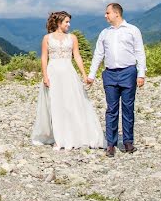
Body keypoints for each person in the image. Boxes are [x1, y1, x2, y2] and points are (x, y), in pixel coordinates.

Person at [30, 11, 105, 149]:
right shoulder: (47, 38)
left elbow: (77, 56)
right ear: (59, 23)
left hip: (69, 73)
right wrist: (45, 76)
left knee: (71, 104)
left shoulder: (72, 38)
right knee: (55, 105)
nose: (69, 24)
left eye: (69, 22)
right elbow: (43, 58)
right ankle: (59, 138)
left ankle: (74, 135)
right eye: (66, 22)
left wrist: (84, 74)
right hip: (53, 73)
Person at [86, 3, 146, 157]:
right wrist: (91, 75)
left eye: (107, 13)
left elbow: (140, 52)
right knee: (111, 109)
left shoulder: (133, 30)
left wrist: (141, 74)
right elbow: (98, 54)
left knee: (128, 108)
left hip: (129, 72)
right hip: (110, 73)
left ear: (116, 14)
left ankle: (128, 142)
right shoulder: (104, 33)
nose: (105, 16)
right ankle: (111, 144)